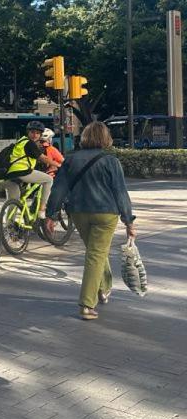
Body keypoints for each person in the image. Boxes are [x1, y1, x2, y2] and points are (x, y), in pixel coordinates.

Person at [45, 122, 135, 320]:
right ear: (105, 138)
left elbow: (58, 189)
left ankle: (104, 287)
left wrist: (50, 215)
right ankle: (87, 304)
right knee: (96, 254)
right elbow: (120, 193)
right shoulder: (111, 161)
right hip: (105, 214)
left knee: (95, 252)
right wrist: (128, 221)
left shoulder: (70, 159)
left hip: (78, 213)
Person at [2, 121, 62, 218]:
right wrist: (58, 165)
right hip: (23, 172)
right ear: (28, 132)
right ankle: (42, 209)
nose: (35, 135)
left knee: (13, 202)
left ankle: (8, 227)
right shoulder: (30, 144)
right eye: (32, 132)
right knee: (48, 180)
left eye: (38, 133)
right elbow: (44, 158)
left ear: (40, 135)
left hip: (9, 175)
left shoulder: (20, 141)